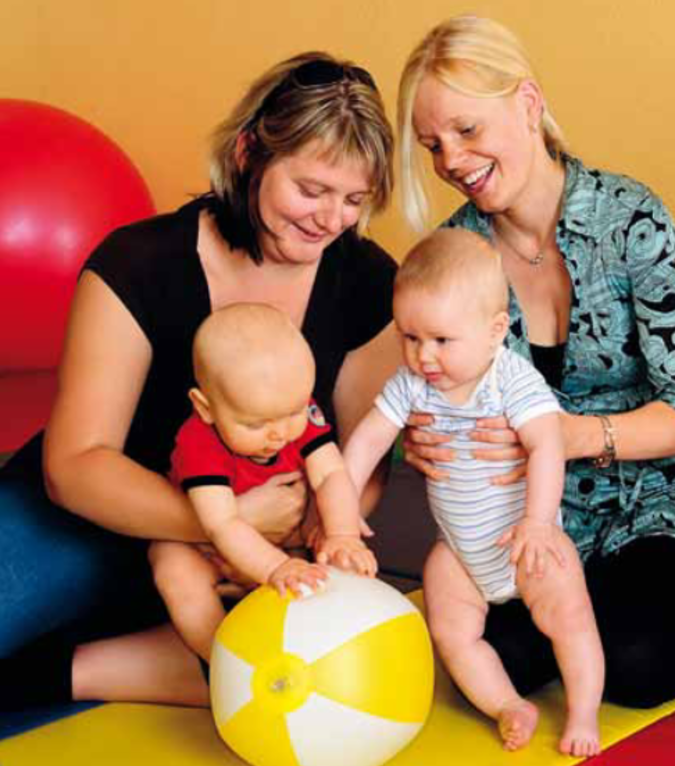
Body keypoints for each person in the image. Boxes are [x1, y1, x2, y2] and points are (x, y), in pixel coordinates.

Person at [0, 51, 399, 709]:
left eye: (353, 200)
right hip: (93, 521)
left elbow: (364, 456)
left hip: (263, 545)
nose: (331, 220)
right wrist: (226, 523)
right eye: (311, 190)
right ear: (248, 154)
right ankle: (136, 657)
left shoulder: (365, 282)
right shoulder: (137, 262)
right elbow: (73, 466)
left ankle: (90, 668)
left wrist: (314, 531)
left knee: (333, 678)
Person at [396, 14, 675, 710]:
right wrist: (423, 438)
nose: (450, 160)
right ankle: (571, 617)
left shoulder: (632, 220)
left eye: (466, 130)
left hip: (655, 502)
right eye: (432, 144)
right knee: (493, 666)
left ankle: (605, 609)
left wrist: (572, 436)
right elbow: (423, 384)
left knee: (642, 664)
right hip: (524, 528)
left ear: (527, 103)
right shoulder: (454, 255)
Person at [345, 228, 603, 756]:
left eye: (441, 340)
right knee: (451, 633)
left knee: (571, 621)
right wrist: (340, 515)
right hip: (461, 554)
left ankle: (583, 714)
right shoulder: (412, 383)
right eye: (409, 338)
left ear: (494, 331)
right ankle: (507, 704)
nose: (424, 357)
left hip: (525, 543)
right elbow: (369, 439)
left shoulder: (512, 380)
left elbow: (547, 447)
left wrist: (536, 522)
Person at [151, 302, 377, 663]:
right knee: (174, 568)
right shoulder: (198, 442)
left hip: (280, 537)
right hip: (203, 545)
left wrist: (343, 534)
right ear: (205, 407)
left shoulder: (292, 406)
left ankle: (317, 643)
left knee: (328, 557)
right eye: (256, 425)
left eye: (293, 413)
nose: (279, 434)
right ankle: (225, 661)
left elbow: (332, 473)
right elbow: (221, 523)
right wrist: (274, 567)